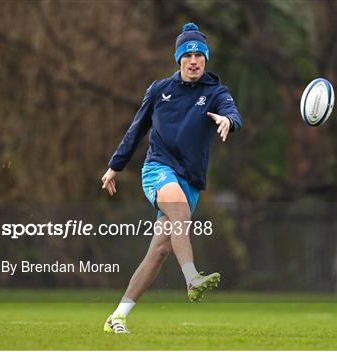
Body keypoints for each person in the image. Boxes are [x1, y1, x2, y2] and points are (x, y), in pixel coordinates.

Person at [101, 22, 242, 334]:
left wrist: (226, 121)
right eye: (187, 54)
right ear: (179, 59)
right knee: (178, 209)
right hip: (158, 169)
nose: (193, 60)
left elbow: (235, 116)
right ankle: (192, 278)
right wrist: (115, 166)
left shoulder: (216, 92)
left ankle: (117, 317)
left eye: (199, 55)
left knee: (160, 251)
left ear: (206, 59)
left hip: (190, 181)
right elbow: (136, 129)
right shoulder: (159, 89)